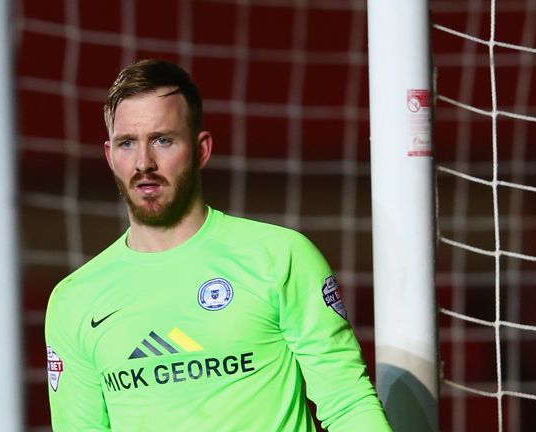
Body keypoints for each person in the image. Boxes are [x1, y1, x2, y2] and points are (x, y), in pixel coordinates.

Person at [45, 58, 392, 431]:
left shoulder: (278, 257)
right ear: (110, 156)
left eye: (163, 140)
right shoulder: (74, 299)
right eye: (127, 143)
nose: (143, 162)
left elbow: (347, 403)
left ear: (201, 149)